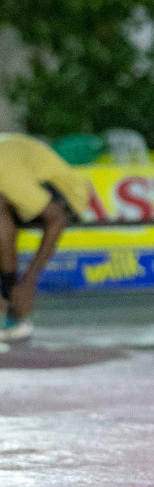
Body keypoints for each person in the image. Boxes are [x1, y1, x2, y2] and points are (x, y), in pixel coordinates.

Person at [0, 134, 90, 344]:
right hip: (21, 177)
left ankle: (15, 299)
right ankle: (8, 295)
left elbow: (57, 217)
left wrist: (29, 281)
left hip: (69, 193)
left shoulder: (6, 175)